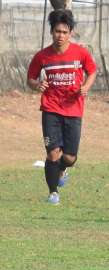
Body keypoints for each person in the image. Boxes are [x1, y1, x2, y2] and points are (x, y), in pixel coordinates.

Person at [27, 9, 97, 205]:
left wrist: (86, 87)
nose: (60, 36)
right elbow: (30, 79)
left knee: (69, 157)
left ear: (71, 33)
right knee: (53, 154)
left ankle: (63, 169)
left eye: (65, 32)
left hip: (74, 110)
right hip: (50, 109)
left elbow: (92, 71)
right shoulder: (42, 56)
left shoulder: (81, 53)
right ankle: (53, 193)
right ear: (51, 31)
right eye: (57, 31)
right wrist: (36, 85)